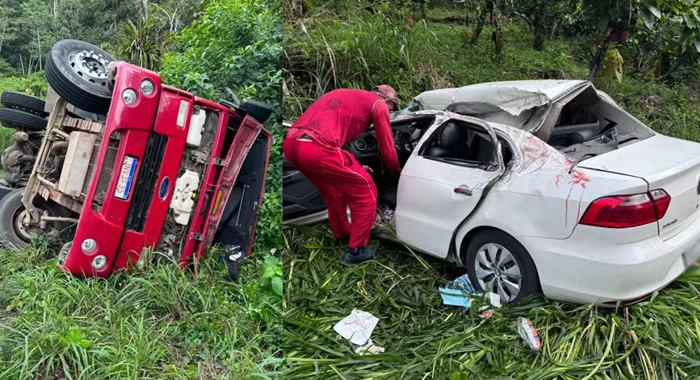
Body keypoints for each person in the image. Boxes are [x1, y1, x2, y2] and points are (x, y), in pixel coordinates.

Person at [284, 85, 401, 264]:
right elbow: (387, 148)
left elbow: (334, 135)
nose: (389, 112)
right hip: (318, 148)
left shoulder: (345, 94)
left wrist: (355, 166)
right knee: (366, 190)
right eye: (392, 108)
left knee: (333, 192)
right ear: (388, 101)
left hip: (292, 144)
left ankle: (342, 234)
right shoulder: (378, 105)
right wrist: (395, 172)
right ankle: (357, 250)